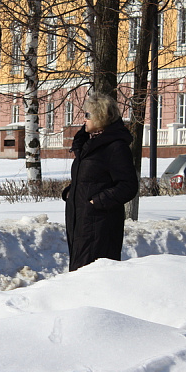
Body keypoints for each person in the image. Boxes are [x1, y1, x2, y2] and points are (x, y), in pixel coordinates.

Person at [63, 93, 139, 272]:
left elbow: (128, 186)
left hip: (100, 224)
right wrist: (72, 191)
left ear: (101, 117)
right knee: (79, 271)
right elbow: (92, 178)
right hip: (80, 220)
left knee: (93, 275)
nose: (84, 119)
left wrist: (96, 201)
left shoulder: (115, 147)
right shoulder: (87, 144)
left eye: (88, 115)